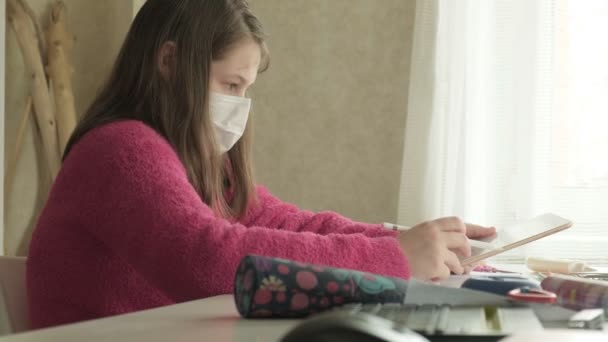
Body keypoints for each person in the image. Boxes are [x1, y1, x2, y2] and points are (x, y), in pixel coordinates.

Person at [26, 0, 496, 329]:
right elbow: (206, 258)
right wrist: (393, 259)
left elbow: (283, 221)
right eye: (231, 85)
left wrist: (408, 240)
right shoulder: (119, 149)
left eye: (245, 90)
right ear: (170, 62)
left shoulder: (190, 159)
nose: (240, 105)